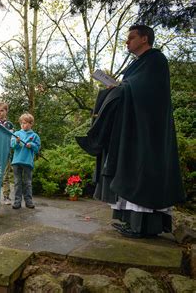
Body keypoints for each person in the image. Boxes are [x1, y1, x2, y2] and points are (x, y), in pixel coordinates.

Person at [76, 25, 185, 238]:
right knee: (130, 169)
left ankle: (143, 226)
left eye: (131, 38)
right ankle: (131, 222)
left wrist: (121, 88)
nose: (127, 42)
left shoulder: (156, 61)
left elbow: (147, 92)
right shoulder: (137, 65)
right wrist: (116, 88)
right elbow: (132, 87)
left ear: (144, 39)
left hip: (148, 131)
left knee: (141, 171)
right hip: (133, 127)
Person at [10, 113, 41, 209]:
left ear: (31, 124)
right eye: (22, 123)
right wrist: (17, 142)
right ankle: (17, 202)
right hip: (16, 162)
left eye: (26, 123)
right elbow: (12, 146)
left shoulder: (35, 136)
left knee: (27, 183)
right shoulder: (16, 134)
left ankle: (28, 201)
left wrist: (31, 145)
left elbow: (37, 149)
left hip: (27, 162)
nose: (23, 125)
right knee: (17, 182)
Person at [0, 102, 14, 205]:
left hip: (6, 152)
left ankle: (6, 197)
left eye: (2, 111)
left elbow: (11, 139)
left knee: (5, 176)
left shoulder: (9, 124)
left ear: (6, 112)